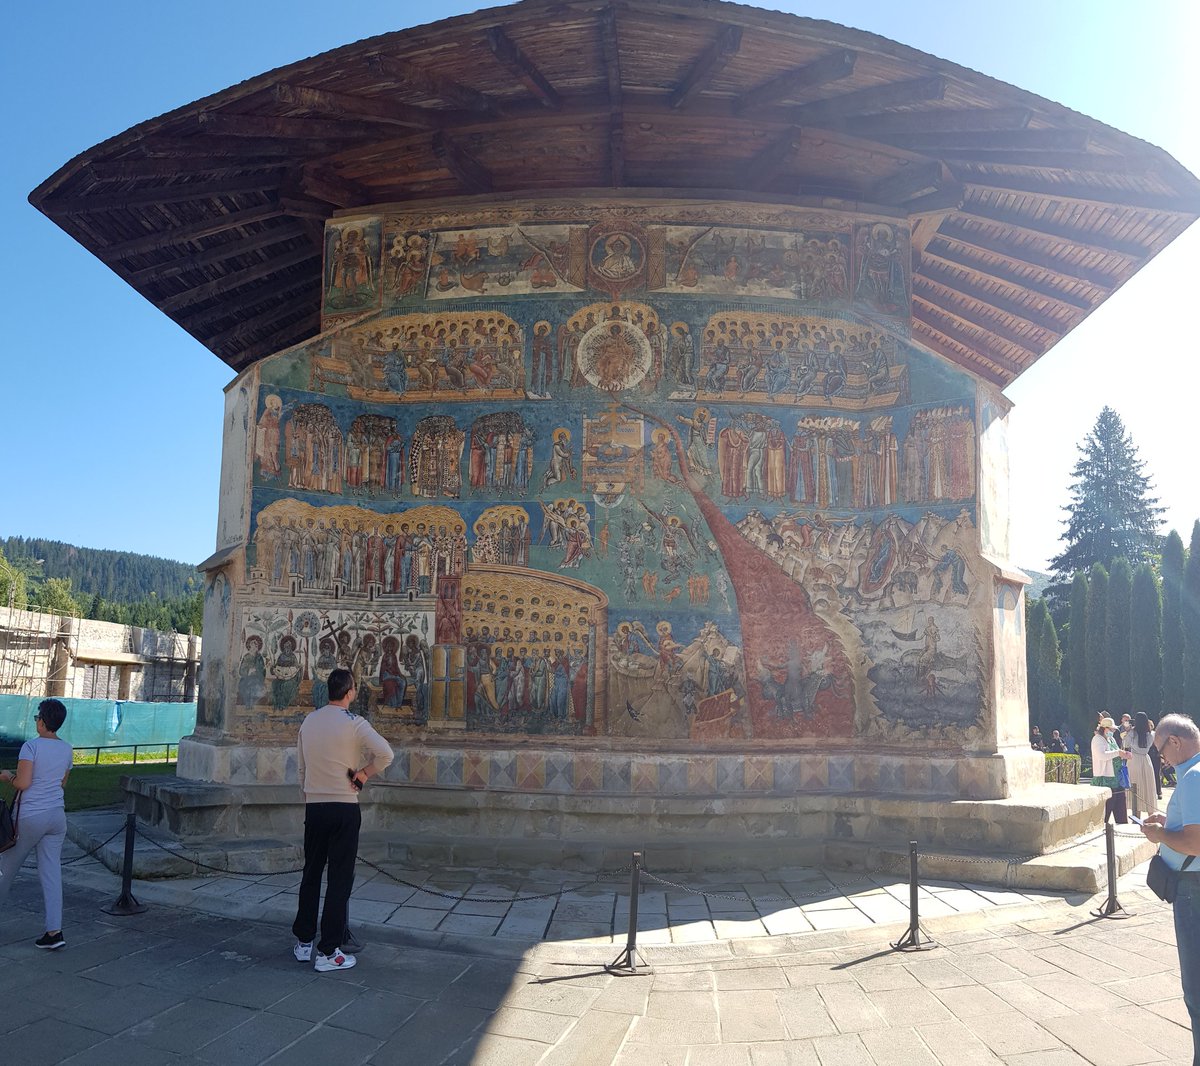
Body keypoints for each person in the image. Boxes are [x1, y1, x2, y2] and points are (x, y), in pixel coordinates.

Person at [292, 668, 393, 973]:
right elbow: (386, 754)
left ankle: (304, 942)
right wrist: (362, 774)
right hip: (345, 807)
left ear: (328, 691)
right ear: (349, 692)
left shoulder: (308, 721)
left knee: (310, 873)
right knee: (339, 879)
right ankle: (328, 952)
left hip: (315, 805)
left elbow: (301, 768)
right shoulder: (355, 723)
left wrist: (309, 795)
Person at [1138, 713, 1200, 1066]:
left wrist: (1161, 835)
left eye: (1160, 750)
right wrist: (1170, 822)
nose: (1160, 758)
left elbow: (1195, 841)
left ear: (1175, 742)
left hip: (1193, 888)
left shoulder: (1192, 778)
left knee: (1196, 990)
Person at [0, 698, 73, 949]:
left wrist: (8, 777)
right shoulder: (67, 749)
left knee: (4, 870)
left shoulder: (30, 747)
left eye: (36, 717)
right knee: (51, 873)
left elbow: (23, 783)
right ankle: (54, 932)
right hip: (56, 816)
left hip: (30, 816)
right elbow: (62, 783)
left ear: (42, 721)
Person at [1122, 711, 1160, 817]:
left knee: (1135, 787)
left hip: (1134, 760)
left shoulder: (1132, 733)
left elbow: (1126, 744)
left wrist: (1127, 731)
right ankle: (1151, 815)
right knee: (1148, 786)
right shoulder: (1151, 734)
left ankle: (1136, 816)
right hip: (1145, 759)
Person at [1090, 717, 1128, 823]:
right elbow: (1102, 755)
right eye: (1112, 729)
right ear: (1105, 728)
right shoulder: (1097, 739)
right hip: (1104, 779)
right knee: (1105, 814)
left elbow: (1116, 751)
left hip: (1117, 779)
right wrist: (1118, 753)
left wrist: (1123, 755)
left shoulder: (1111, 739)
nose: (1114, 731)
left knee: (1121, 812)